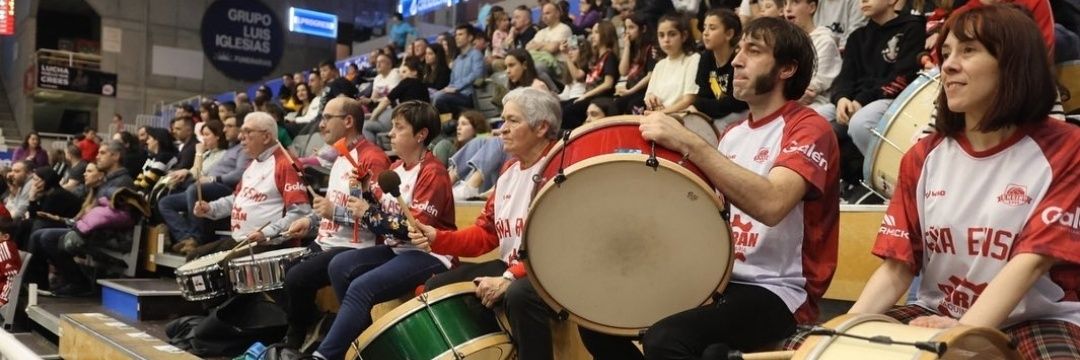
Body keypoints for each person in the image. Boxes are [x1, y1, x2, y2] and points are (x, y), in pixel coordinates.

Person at [585, 17, 839, 359]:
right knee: (596, 317)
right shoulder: (733, 133)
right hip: (717, 279)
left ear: (787, 68)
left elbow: (772, 204)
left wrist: (690, 142)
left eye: (753, 51)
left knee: (667, 339)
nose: (736, 60)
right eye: (739, 50)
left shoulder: (809, 127)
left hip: (778, 291)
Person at [836, 5, 1080, 359]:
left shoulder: (1067, 148)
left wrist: (960, 335)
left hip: (1039, 319)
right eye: (946, 52)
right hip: (939, 312)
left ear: (1014, 62)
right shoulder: (921, 156)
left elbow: (1032, 262)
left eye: (968, 51)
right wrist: (840, 334)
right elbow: (897, 268)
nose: (947, 65)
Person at [408, 87, 562, 360]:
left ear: (541, 127)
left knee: (518, 295)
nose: (502, 129)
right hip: (514, 267)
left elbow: (563, 244)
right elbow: (485, 234)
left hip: (553, 271)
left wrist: (509, 277)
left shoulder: (561, 168)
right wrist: (437, 237)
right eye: (502, 120)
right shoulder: (508, 170)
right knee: (439, 288)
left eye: (513, 121)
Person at [312, 101, 457, 360]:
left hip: (432, 254)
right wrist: (367, 191)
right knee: (339, 265)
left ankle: (325, 355)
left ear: (421, 135)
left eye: (399, 127)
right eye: (391, 126)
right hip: (399, 250)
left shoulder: (434, 173)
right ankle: (363, 341)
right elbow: (383, 211)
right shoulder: (395, 168)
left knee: (361, 287)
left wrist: (367, 212)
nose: (390, 133)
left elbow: (412, 229)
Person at [279, 98, 391, 349]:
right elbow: (331, 207)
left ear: (348, 121)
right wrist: (310, 220)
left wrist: (333, 212)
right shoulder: (341, 157)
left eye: (327, 118)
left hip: (357, 248)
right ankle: (315, 324)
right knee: (284, 271)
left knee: (296, 278)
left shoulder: (371, 159)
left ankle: (296, 338)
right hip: (327, 241)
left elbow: (376, 217)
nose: (321, 125)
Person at [831, 0, 923, 202]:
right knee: (817, 120)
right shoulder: (857, 37)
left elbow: (903, 77)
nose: (863, 1)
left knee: (861, 123)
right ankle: (829, 190)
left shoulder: (913, 27)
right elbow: (845, 77)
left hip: (894, 99)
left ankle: (896, 186)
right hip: (855, 100)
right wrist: (842, 98)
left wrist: (860, 101)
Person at [191, 112, 311, 250]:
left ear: (266, 137)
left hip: (271, 245)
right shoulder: (252, 164)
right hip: (243, 241)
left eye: (247, 132)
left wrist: (266, 233)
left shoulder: (286, 164)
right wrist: (211, 208)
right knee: (194, 258)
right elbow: (238, 199)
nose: (240, 137)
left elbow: (300, 214)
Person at [785, 0, 842, 121]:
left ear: (811, 7)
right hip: (785, 102)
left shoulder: (824, 41)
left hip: (819, 105)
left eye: (795, 2)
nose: (788, 9)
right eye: (785, 3)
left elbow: (811, 89)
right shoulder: (783, 44)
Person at [693, 9, 750, 123]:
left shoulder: (739, 59)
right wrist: (704, 105)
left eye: (712, 28)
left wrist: (705, 106)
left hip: (740, 115)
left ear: (729, 34)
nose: (705, 33)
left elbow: (737, 103)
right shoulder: (706, 57)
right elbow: (700, 98)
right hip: (717, 115)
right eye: (705, 27)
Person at [561, 20, 620, 130]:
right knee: (560, 108)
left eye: (596, 32)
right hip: (590, 97)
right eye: (592, 32)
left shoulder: (610, 57)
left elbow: (608, 84)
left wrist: (586, 95)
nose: (592, 36)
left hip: (600, 99)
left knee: (568, 112)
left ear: (605, 34)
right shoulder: (597, 59)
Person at [643, 14, 701, 115]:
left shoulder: (693, 59)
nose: (666, 40)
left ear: (684, 36)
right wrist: (651, 99)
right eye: (661, 35)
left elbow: (688, 100)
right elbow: (648, 95)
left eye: (672, 34)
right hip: (659, 116)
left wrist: (661, 113)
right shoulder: (660, 65)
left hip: (681, 116)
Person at [366, 57, 432, 141]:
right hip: (422, 120)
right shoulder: (424, 86)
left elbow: (386, 101)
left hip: (406, 118)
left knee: (366, 126)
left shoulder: (407, 81)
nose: (401, 75)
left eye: (404, 72)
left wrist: (373, 117)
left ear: (414, 72)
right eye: (400, 73)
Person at [432, 24, 486, 116]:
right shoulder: (457, 60)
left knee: (440, 99)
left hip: (469, 95)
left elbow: (477, 74)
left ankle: (453, 122)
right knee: (434, 96)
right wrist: (446, 89)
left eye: (460, 34)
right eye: (456, 35)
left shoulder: (476, 54)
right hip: (455, 95)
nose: (457, 37)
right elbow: (452, 82)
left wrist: (457, 87)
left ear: (470, 37)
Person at [615, 13, 661, 114]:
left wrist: (631, 91)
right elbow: (623, 71)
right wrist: (626, 47)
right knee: (614, 104)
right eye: (626, 28)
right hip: (630, 90)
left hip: (644, 91)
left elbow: (650, 75)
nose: (627, 32)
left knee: (631, 105)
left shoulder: (650, 48)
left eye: (631, 28)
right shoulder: (633, 48)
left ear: (643, 29)